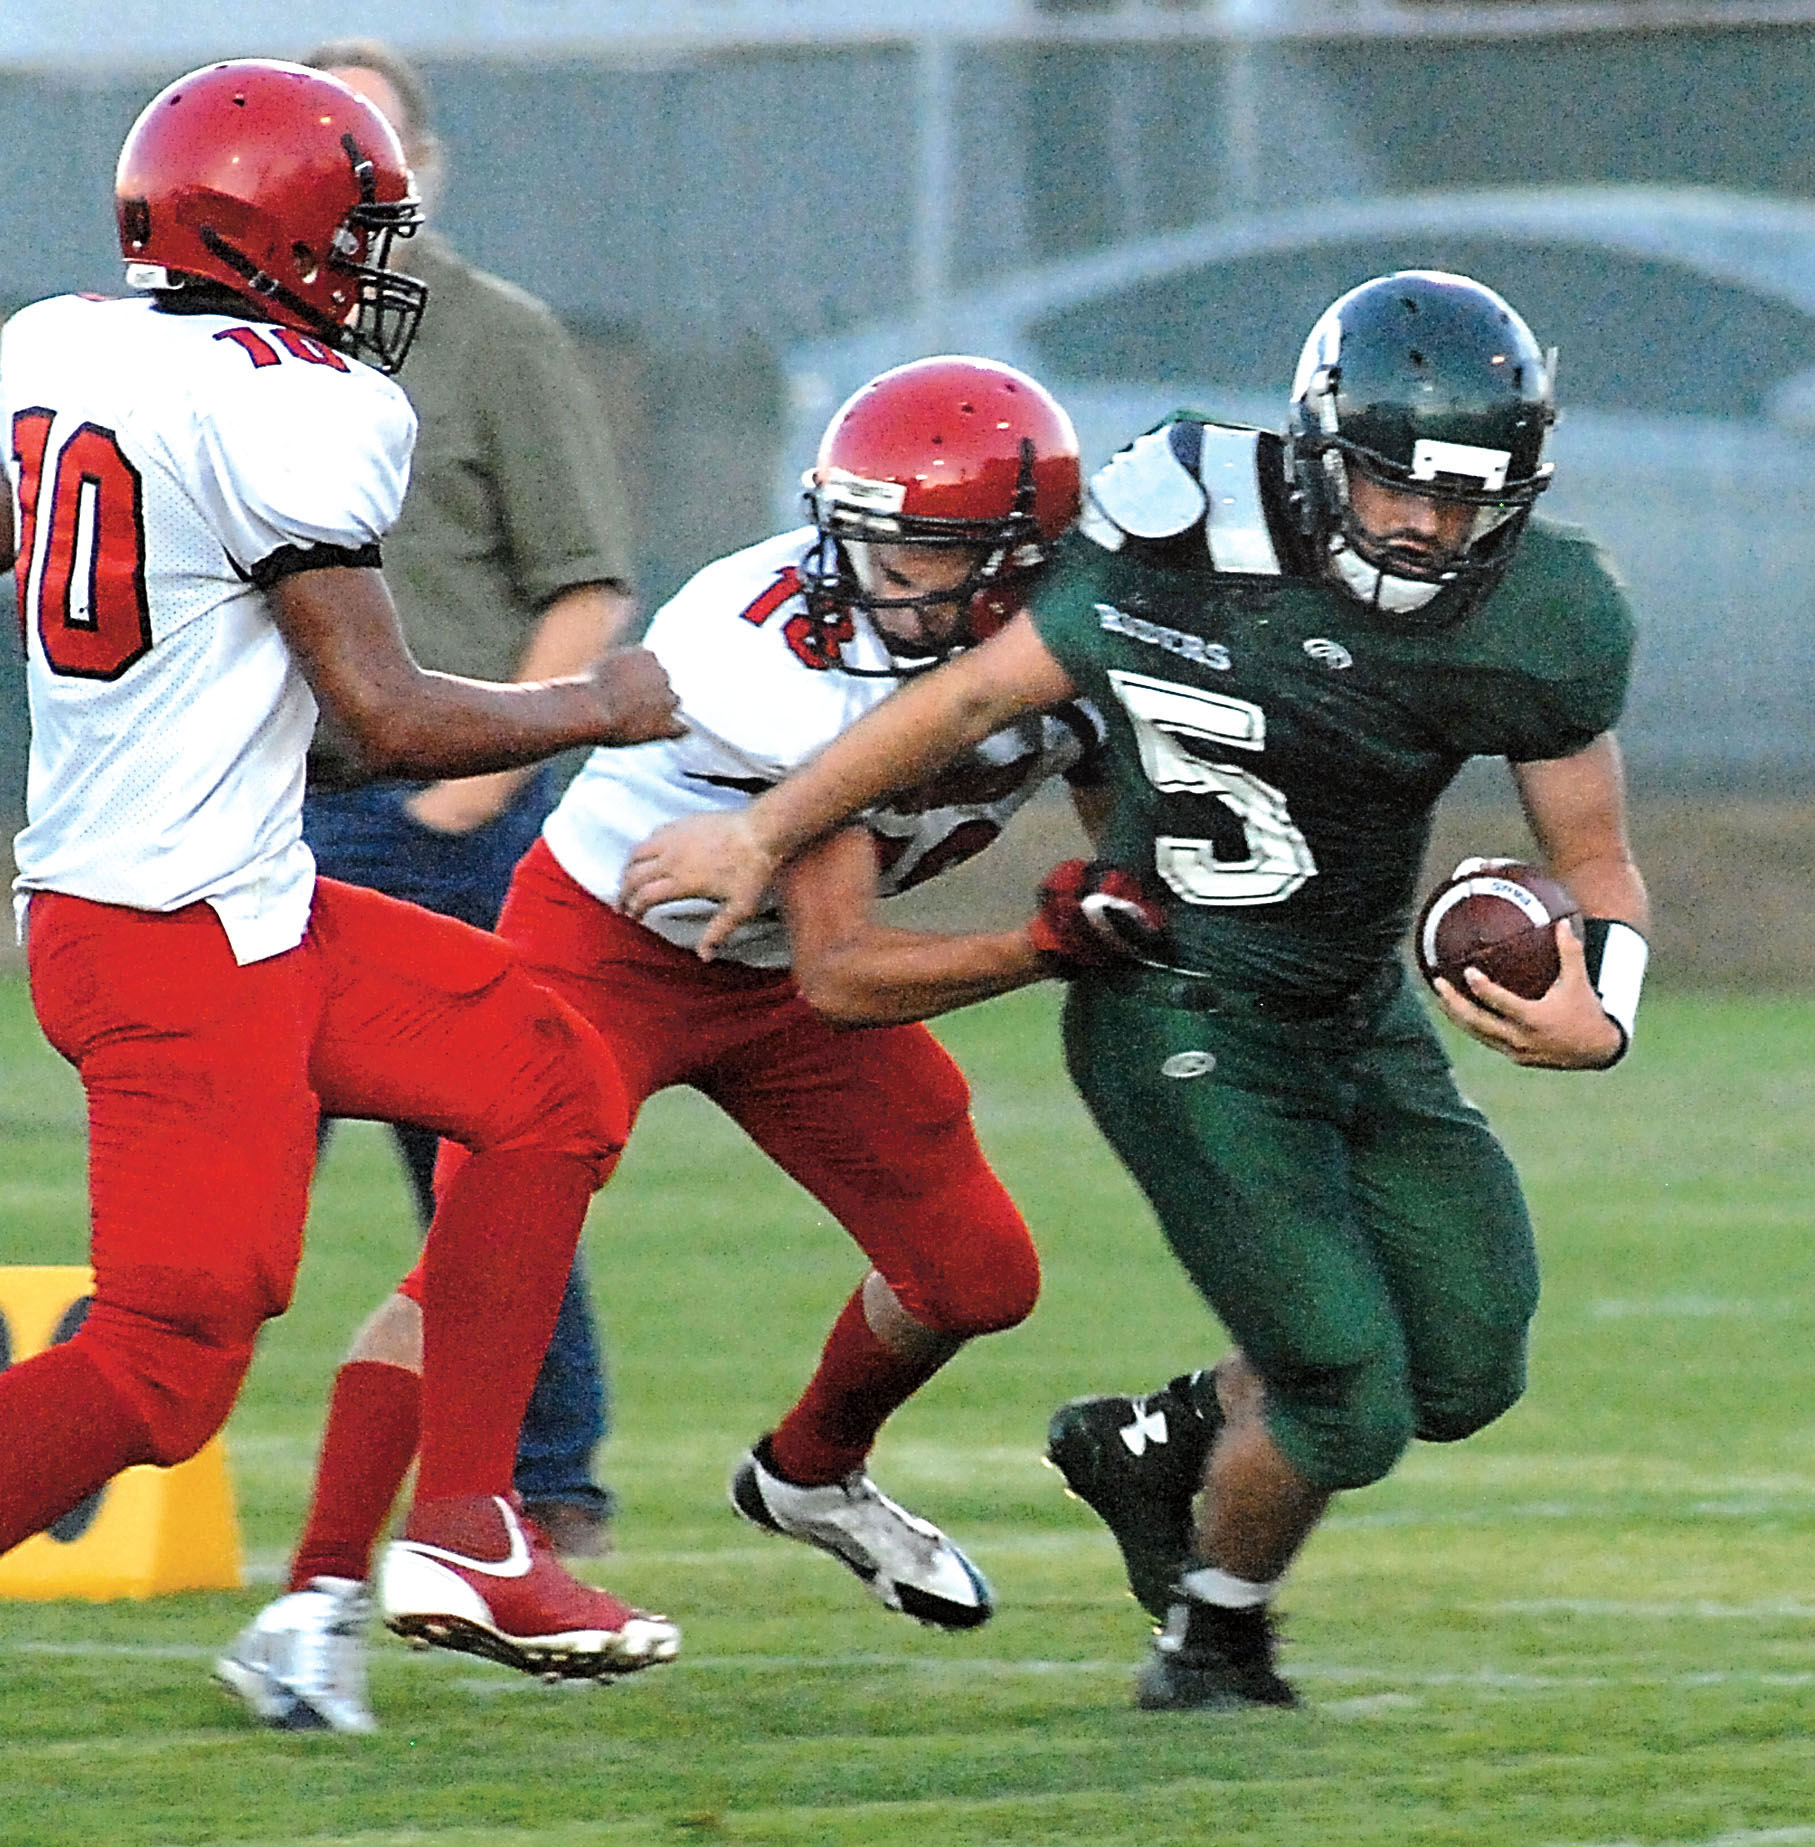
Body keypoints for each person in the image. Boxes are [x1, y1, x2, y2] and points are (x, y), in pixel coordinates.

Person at [0, 59, 682, 1775]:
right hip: (172, 942)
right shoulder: (280, 406)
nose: (380, 263)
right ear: (270, 232)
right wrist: (603, 702)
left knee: (551, 1081)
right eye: (358, 226)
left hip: (239, 905)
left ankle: (467, 1527)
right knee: (163, 1375)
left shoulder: (94, 360)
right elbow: (392, 720)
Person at [619, 271, 1651, 1712]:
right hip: (1178, 1006)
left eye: (1468, 499)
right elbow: (972, 696)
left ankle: (1165, 1445)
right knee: (1347, 1396)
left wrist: (1605, 999)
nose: (1427, 526)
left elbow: (1592, 856)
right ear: (1317, 447)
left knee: (1470, 1367)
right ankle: (1211, 1641)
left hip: (1356, 1009)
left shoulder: (1543, 614)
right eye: (1392, 485)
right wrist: (765, 828)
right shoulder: (1180, 533)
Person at [215, 355, 1168, 1734]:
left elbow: (1106, 818)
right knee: (478, 1272)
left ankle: (810, 1473)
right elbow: (845, 974)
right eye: (861, 531)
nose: (872, 570)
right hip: (611, 944)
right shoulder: (761, 641)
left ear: (1019, 567)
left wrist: (1134, 896)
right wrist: (1046, 948)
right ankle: (310, 1610)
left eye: (915, 546)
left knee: (976, 1274)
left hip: (776, 978)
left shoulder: (1061, 644)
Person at [293, 40, 636, 1558]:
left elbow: (588, 588)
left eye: (380, 130)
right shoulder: (234, 341)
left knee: (486, 1164)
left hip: (427, 813)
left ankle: (547, 1484)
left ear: (428, 159)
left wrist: (475, 786)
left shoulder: (493, 335)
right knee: (207, 1147)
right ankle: (85, 1468)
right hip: (257, 814)